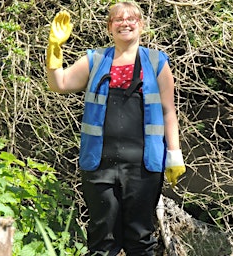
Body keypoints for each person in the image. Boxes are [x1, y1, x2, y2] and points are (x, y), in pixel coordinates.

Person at [45, 1, 186, 255]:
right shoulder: (95, 59)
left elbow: (168, 111)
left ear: (141, 25)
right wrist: (54, 49)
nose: (125, 23)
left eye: (131, 19)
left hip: (144, 167)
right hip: (99, 165)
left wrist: (174, 154)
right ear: (110, 27)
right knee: (101, 242)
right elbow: (60, 84)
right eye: (118, 19)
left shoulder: (157, 63)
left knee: (140, 240)